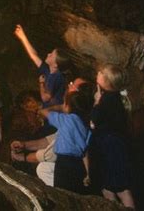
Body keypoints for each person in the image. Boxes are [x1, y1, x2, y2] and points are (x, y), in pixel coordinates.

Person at [89, 64, 136, 209]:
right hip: (115, 146)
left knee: (114, 188)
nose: (98, 72)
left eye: (101, 72)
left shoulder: (107, 100)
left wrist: (97, 102)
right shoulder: (116, 98)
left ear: (106, 81)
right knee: (115, 187)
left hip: (109, 148)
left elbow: (93, 123)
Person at [41, 88, 93, 194]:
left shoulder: (66, 119)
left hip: (63, 163)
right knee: (74, 193)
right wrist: (88, 173)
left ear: (67, 106)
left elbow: (45, 112)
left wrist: (60, 107)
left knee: (61, 192)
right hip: (78, 165)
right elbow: (85, 153)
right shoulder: (86, 126)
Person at [14, 24, 67, 108]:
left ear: (56, 64)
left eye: (51, 55)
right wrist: (23, 37)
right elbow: (34, 55)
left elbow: (45, 98)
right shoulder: (48, 70)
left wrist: (41, 83)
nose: (48, 54)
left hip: (54, 114)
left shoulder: (57, 76)